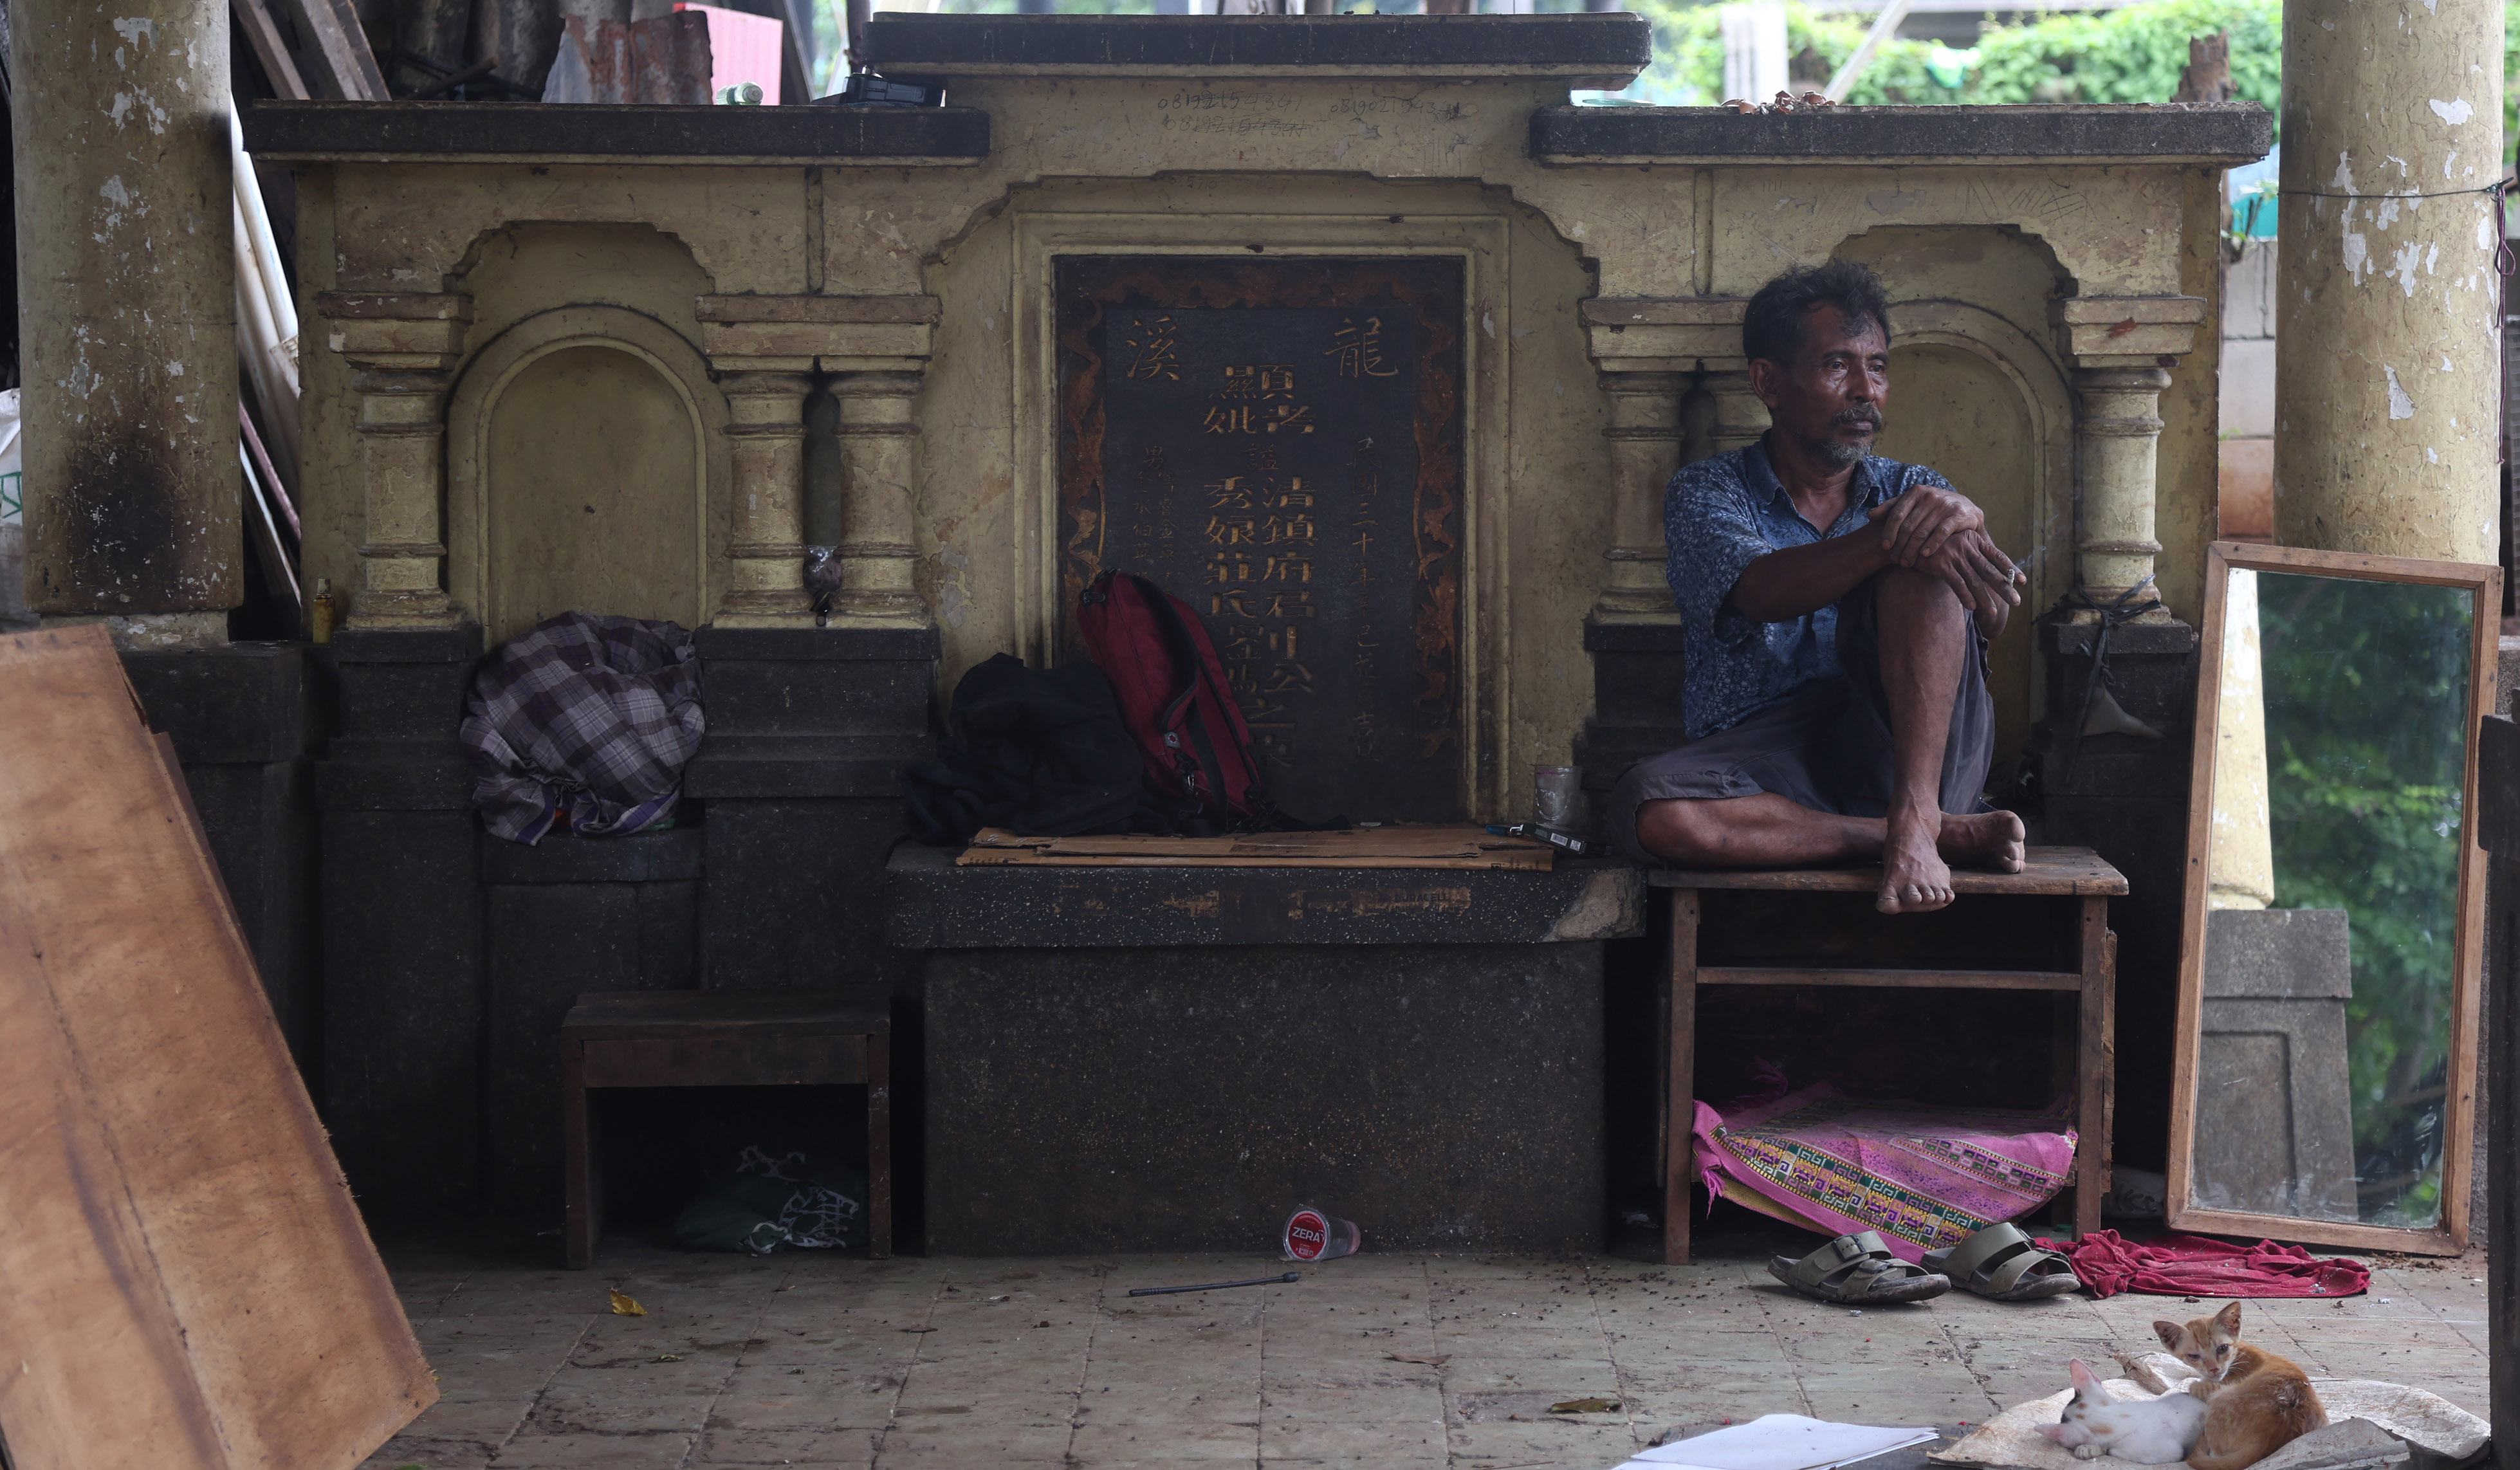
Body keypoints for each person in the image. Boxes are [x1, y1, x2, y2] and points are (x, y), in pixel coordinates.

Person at [1606, 259, 2028, 914]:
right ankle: (1924, 834)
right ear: (1766, 382)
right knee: (1651, 809)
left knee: (1925, 568)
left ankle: (1919, 816)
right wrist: (1886, 539)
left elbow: (1993, 617)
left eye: (1878, 367)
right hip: (1773, 761)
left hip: (1909, 749)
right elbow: (1760, 590)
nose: (1865, 390)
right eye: (1837, 365)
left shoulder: (1913, 487)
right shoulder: (1708, 491)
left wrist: (1960, 530)